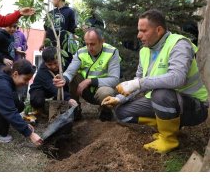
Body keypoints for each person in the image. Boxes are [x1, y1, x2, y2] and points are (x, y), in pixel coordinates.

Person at [102, 9, 209, 153]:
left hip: (194, 106)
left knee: (160, 93)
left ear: (158, 30)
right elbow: (138, 81)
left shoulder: (179, 44)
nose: (139, 35)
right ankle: (167, 126)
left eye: (143, 31)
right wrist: (119, 98)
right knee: (122, 112)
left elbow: (177, 78)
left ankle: (169, 139)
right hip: (165, 102)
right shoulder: (144, 51)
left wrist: (139, 83)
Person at [53, 28, 121, 121]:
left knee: (106, 92)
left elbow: (114, 79)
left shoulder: (112, 52)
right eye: (87, 44)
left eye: (92, 44)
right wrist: (63, 79)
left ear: (102, 41)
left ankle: (106, 111)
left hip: (102, 90)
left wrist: (90, 81)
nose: (89, 47)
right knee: (73, 77)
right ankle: (75, 109)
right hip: (84, 90)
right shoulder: (81, 52)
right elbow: (70, 72)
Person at [29, 46, 78, 116]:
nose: (53, 66)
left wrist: (68, 98)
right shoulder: (42, 72)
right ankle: (40, 110)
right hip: (41, 89)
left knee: (63, 84)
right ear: (45, 63)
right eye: (49, 64)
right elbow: (52, 87)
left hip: (54, 88)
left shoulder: (63, 64)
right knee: (37, 100)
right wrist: (69, 99)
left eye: (55, 63)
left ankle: (58, 106)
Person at [40, 0, 77, 71]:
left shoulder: (70, 12)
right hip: (50, 47)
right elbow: (46, 30)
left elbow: (72, 31)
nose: (52, 1)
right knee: (48, 68)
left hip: (63, 49)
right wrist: (43, 43)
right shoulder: (50, 13)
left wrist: (73, 47)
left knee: (63, 69)